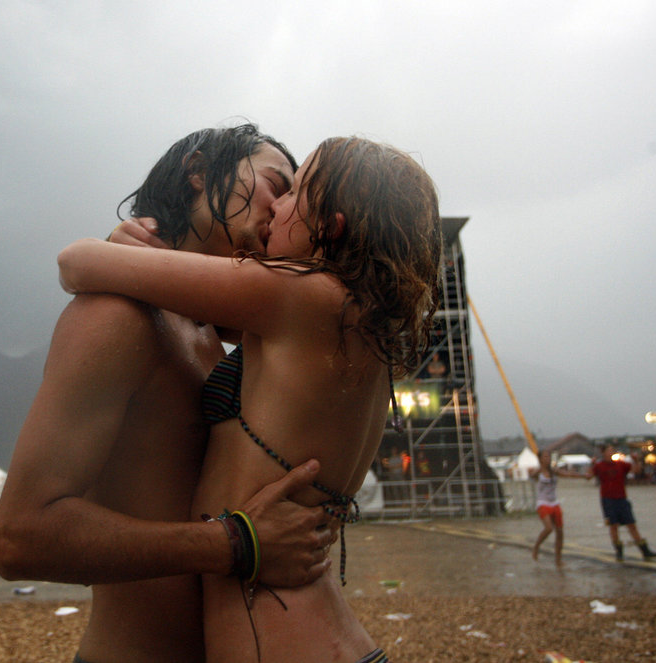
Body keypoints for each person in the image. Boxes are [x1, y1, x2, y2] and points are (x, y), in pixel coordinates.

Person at [58, 135, 443, 662]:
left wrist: (123, 244)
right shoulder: (352, 321)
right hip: (319, 637)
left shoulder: (291, 294)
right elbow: (209, 320)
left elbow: (77, 262)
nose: (275, 208)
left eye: (292, 194)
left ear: (329, 228)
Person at [0, 124, 338, 663]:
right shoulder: (117, 316)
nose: (282, 206)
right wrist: (235, 544)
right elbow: (21, 537)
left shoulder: (208, 330)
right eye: (276, 183)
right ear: (198, 171)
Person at [586, 444, 656, 561]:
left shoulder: (620, 464)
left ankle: (645, 550)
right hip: (608, 499)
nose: (611, 452)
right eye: (609, 450)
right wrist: (592, 464)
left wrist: (636, 461)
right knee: (613, 526)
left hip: (621, 498)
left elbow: (636, 471)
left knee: (631, 524)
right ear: (603, 452)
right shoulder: (599, 466)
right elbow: (588, 476)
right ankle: (619, 551)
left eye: (612, 450)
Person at [531, 449, 583, 567]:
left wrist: (583, 476)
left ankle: (558, 559)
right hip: (543, 503)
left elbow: (568, 475)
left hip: (554, 502)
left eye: (548, 457)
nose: (547, 459)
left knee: (560, 532)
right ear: (540, 459)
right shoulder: (538, 472)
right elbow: (532, 476)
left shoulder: (554, 471)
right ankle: (536, 546)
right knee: (549, 528)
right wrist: (538, 470)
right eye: (544, 457)